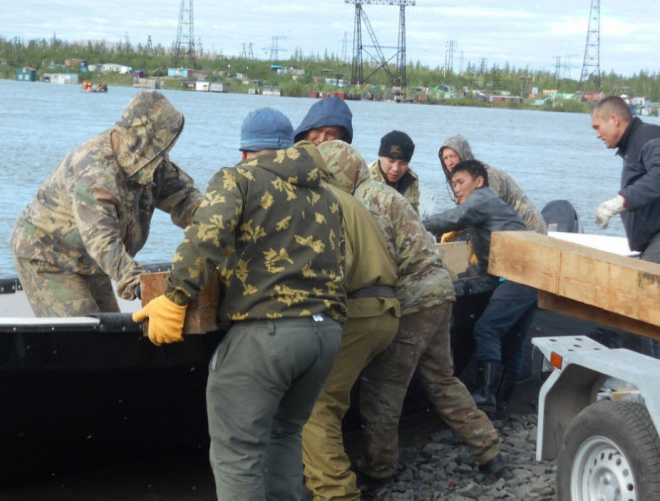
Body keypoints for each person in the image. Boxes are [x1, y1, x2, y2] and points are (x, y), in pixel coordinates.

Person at [133, 108, 347, 500]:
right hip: (325, 334)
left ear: (246, 150)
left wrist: (175, 297)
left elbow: (206, 239)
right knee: (285, 433)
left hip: (267, 337)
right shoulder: (327, 195)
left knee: (238, 451)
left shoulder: (239, 178)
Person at [318, 142, 508, 492]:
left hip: (413, 300)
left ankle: (378, 468)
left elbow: (378, 262)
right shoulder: (382, 192)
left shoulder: (364, 201)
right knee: (442, 380)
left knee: (382, 388)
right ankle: (490, 451)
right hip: (439, 292)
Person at [10, 90, 202, 317]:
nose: (163, 153)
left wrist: (224, 222)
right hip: (48, 257)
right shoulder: (95, 174)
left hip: (90, 261)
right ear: (142, 138)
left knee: (107, 325)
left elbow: (186, 200)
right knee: (85, 337)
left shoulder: (150, 163)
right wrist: (140, 285)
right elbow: (103, 242)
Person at [298, 140, 400, 501]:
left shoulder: (320, 200)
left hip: (359, 312)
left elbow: (334, 269)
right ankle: (316, 481)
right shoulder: (351, 199)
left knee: (315, 406)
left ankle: (337, 494)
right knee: (336, 400)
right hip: (385, 310)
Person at [423, 159, 536, 414]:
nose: (457, 189)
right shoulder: (493, 203)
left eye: (460, 182)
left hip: (519, 276)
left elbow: (454, 217)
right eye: (453, 185)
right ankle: (502, 401)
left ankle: (485, 395)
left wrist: (416, 224)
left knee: (487, 329)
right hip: (532, 274)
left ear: (479, 181)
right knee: (514, 340)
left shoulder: (481, 199)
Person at [591, 96, 660, 263]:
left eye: (598, 127)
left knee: (643, 283)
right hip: (651, 239)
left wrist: (621, 201)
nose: (597, 135)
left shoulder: (649, 138)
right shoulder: (634, 142)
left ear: (614, 119)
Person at [438, 134, 547, 234]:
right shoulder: (460, 180)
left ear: (463, 155)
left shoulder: (487, 176)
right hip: (508, 231)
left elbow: (485, 213)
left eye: (453, 156)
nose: (449, 162)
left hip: (530, 231)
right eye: (445, 158)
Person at [368, 130, 420, 213]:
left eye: (403, 163)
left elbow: (413, 212)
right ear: (380, 157)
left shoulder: (412, 179)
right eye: (391, 161)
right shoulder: (364, 176)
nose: (396, 169)